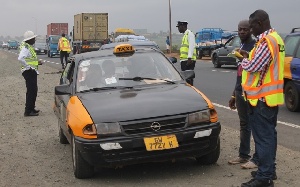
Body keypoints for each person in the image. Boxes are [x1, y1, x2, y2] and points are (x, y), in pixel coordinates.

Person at [235, 10, 285, 187]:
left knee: (264, 138)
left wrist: (242, 59)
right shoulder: (276, 38)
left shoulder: (266, 41)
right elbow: (264, 63)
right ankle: (269, 170)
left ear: (260, 23)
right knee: (269, 136)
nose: (250, 30)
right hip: (270, 97)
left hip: (262, 98)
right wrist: (250, 56)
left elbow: (255, 66)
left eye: (252, 26)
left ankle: (264, 178)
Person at [228, 20, 258, 169]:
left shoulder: (254, 46)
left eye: (245, 29)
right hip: (240, 90)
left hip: (251, 91)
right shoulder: (241, 46)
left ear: (251, 30)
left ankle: (258, 158)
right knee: (244, 124)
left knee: (257, 124)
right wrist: (234, 94)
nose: (241, 32)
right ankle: (243, 155)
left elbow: (253, 69)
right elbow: (239, 74)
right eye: (240, 29)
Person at [18, 31, 43, 117]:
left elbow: (29, 59)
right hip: (29, 72)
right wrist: (28, 67)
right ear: (29, 39)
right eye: (33, 38)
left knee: (33, 90)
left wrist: (37, 62)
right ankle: (28, 111)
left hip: (31, 71)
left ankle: (32, 108)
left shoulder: (28, 47)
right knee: (31, 91)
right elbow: (20, 58)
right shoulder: (26, 47)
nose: (34, 40)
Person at [176, 21, 196, 86]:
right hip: (184, 60)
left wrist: (189, 58)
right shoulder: (185, 35)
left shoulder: (189, 34)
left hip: (188, 60)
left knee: (188, 78)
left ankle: (191, 91)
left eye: (179, 27)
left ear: (183, 26)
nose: (178, 29)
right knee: (185, 78)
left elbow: (191, 46)